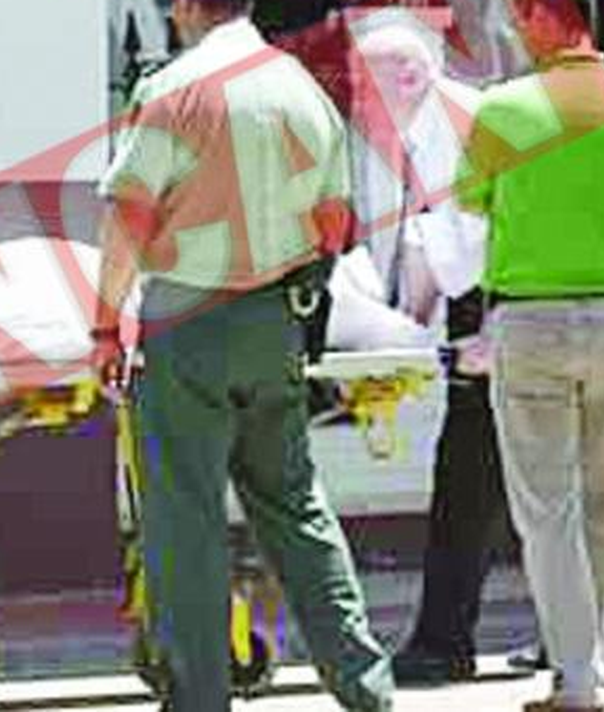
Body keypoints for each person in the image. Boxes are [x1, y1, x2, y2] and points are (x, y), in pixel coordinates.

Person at [91, 1, 394, 710]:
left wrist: (106, 325)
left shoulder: (173, 89)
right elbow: (333, 223)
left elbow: (129, 213)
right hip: (274, 322)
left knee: (185, 518)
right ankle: (365, 687)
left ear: (188, 7)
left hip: (185, 324)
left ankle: (199, 697)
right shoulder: (301, 88)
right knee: (295, 506)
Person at [458, 0, 604, 709]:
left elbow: (472, 201)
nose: (513, 28)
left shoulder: (504, 109)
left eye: (517, 16)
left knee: (547, 510)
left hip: (532, 321)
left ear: (541, 15)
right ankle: (593, 665)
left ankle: (578, 678)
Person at [328, 18, 515, 684]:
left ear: (409, 76)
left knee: (472, 475)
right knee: (520, 478)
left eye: (364, 80)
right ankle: (561, 641)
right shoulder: (425, 126)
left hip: (510, 299)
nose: (355, 94)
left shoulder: (467, 126)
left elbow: (489, 233)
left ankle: (443, 644)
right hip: (492, 302)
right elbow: (428, 238)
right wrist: (403, 330)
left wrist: (489, 327)